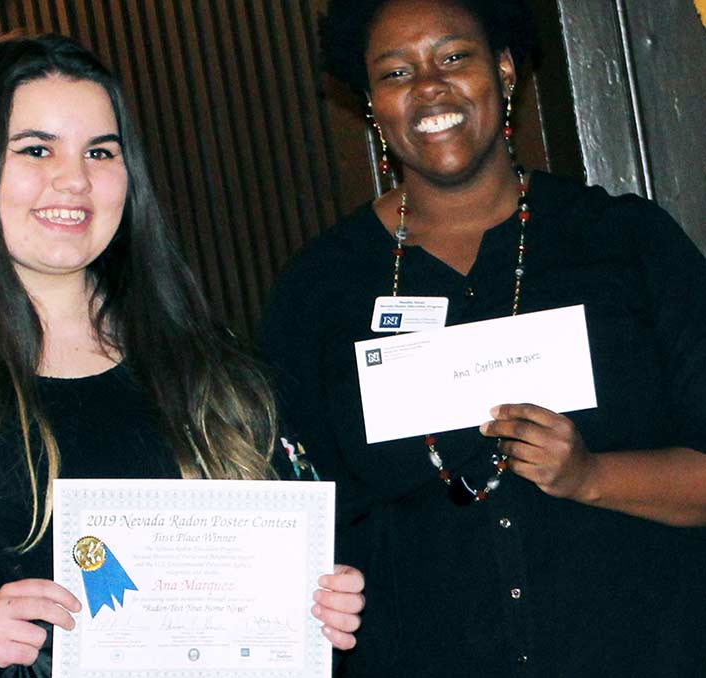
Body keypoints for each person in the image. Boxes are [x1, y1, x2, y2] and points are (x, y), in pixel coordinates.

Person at [0, 34, 363, 677]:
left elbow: (315, 536)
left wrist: (326, 598)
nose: (73, 179)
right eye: (36, 149)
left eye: (100, 151)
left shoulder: (212, 367)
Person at [260, 0, 706, 675]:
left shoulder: (625, 243)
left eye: (453, 57)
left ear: (502, 69)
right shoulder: (319, 291)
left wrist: (591, 477)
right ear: (372, 102)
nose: (429, 87)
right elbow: (292, 520)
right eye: (395, 72)